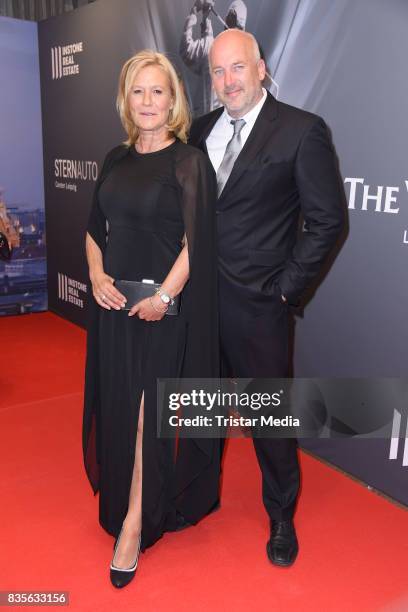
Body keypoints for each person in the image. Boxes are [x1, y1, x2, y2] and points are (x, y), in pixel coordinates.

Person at [189, 29, 345, 566]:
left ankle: (281, 514)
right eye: (217, 71)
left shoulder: (302, 131)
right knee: (200, 408)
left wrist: (284, 292)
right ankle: (197, 494)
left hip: (259, 307)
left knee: (268, 418)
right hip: (197, 305)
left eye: (238, 68)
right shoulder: (199, 130)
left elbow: (327, 221)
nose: (228, 81)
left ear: (261, 67)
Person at [82, 49, 219, 588]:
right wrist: (95, 276)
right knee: (120, 408)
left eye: (157, 91)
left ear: (173, 101)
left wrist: (164, 295)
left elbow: (196, 243)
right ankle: (125, 501)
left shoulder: (188, 163)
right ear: (126, 98)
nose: (147, 101)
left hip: (163, 311)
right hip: (115, 309)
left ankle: (134, 527)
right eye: (138, 91)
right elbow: (95, 229)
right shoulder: (114, 159)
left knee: (146, 415)